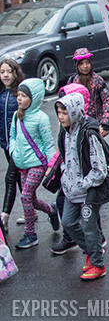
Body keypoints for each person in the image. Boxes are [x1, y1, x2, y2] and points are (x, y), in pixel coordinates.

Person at [54, 93, 109, 280]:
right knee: (68, 223)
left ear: (74, 112)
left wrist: (83, 184)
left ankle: (97, 264)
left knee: (89, 227)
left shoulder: (89, 133)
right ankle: (91, 251)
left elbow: (100, 169)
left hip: (90, 190)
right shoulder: (64, 131)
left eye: (65, 113)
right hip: (71, 189)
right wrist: (66, 177)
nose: (61, 117)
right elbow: (64, 158)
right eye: (59, 113)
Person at [9, 78, 59, 249]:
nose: (19, 99)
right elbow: (13, 137)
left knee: (24, 196)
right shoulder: (17, 115)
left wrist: (52, 167)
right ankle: (52, 211)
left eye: (24, 96)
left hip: (37, 164)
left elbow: (48, 143)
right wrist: (13, 152)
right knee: (32, 199)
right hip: (22, 164)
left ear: (34, 97)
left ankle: (30, 234)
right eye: (19, 95)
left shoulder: (41, 118)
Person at [66, 49, 109, 137]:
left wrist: (105, 123)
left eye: (87, 63)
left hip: (95, 125)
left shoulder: (98, 80)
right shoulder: (73, 81)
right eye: (81, 64)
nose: (85, 66)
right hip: (77, 125)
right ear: (76, 65)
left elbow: (107, 100)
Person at [0, 59, 23, 234]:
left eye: (9, 71)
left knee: (10, 178)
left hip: (19, 145)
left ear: (15, 73)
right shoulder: (1, 94)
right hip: (6, 145)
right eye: (2, 72)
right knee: (18, 178)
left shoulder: (20, 94)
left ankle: (4, 217)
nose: (6, 75)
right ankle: (31, 209)